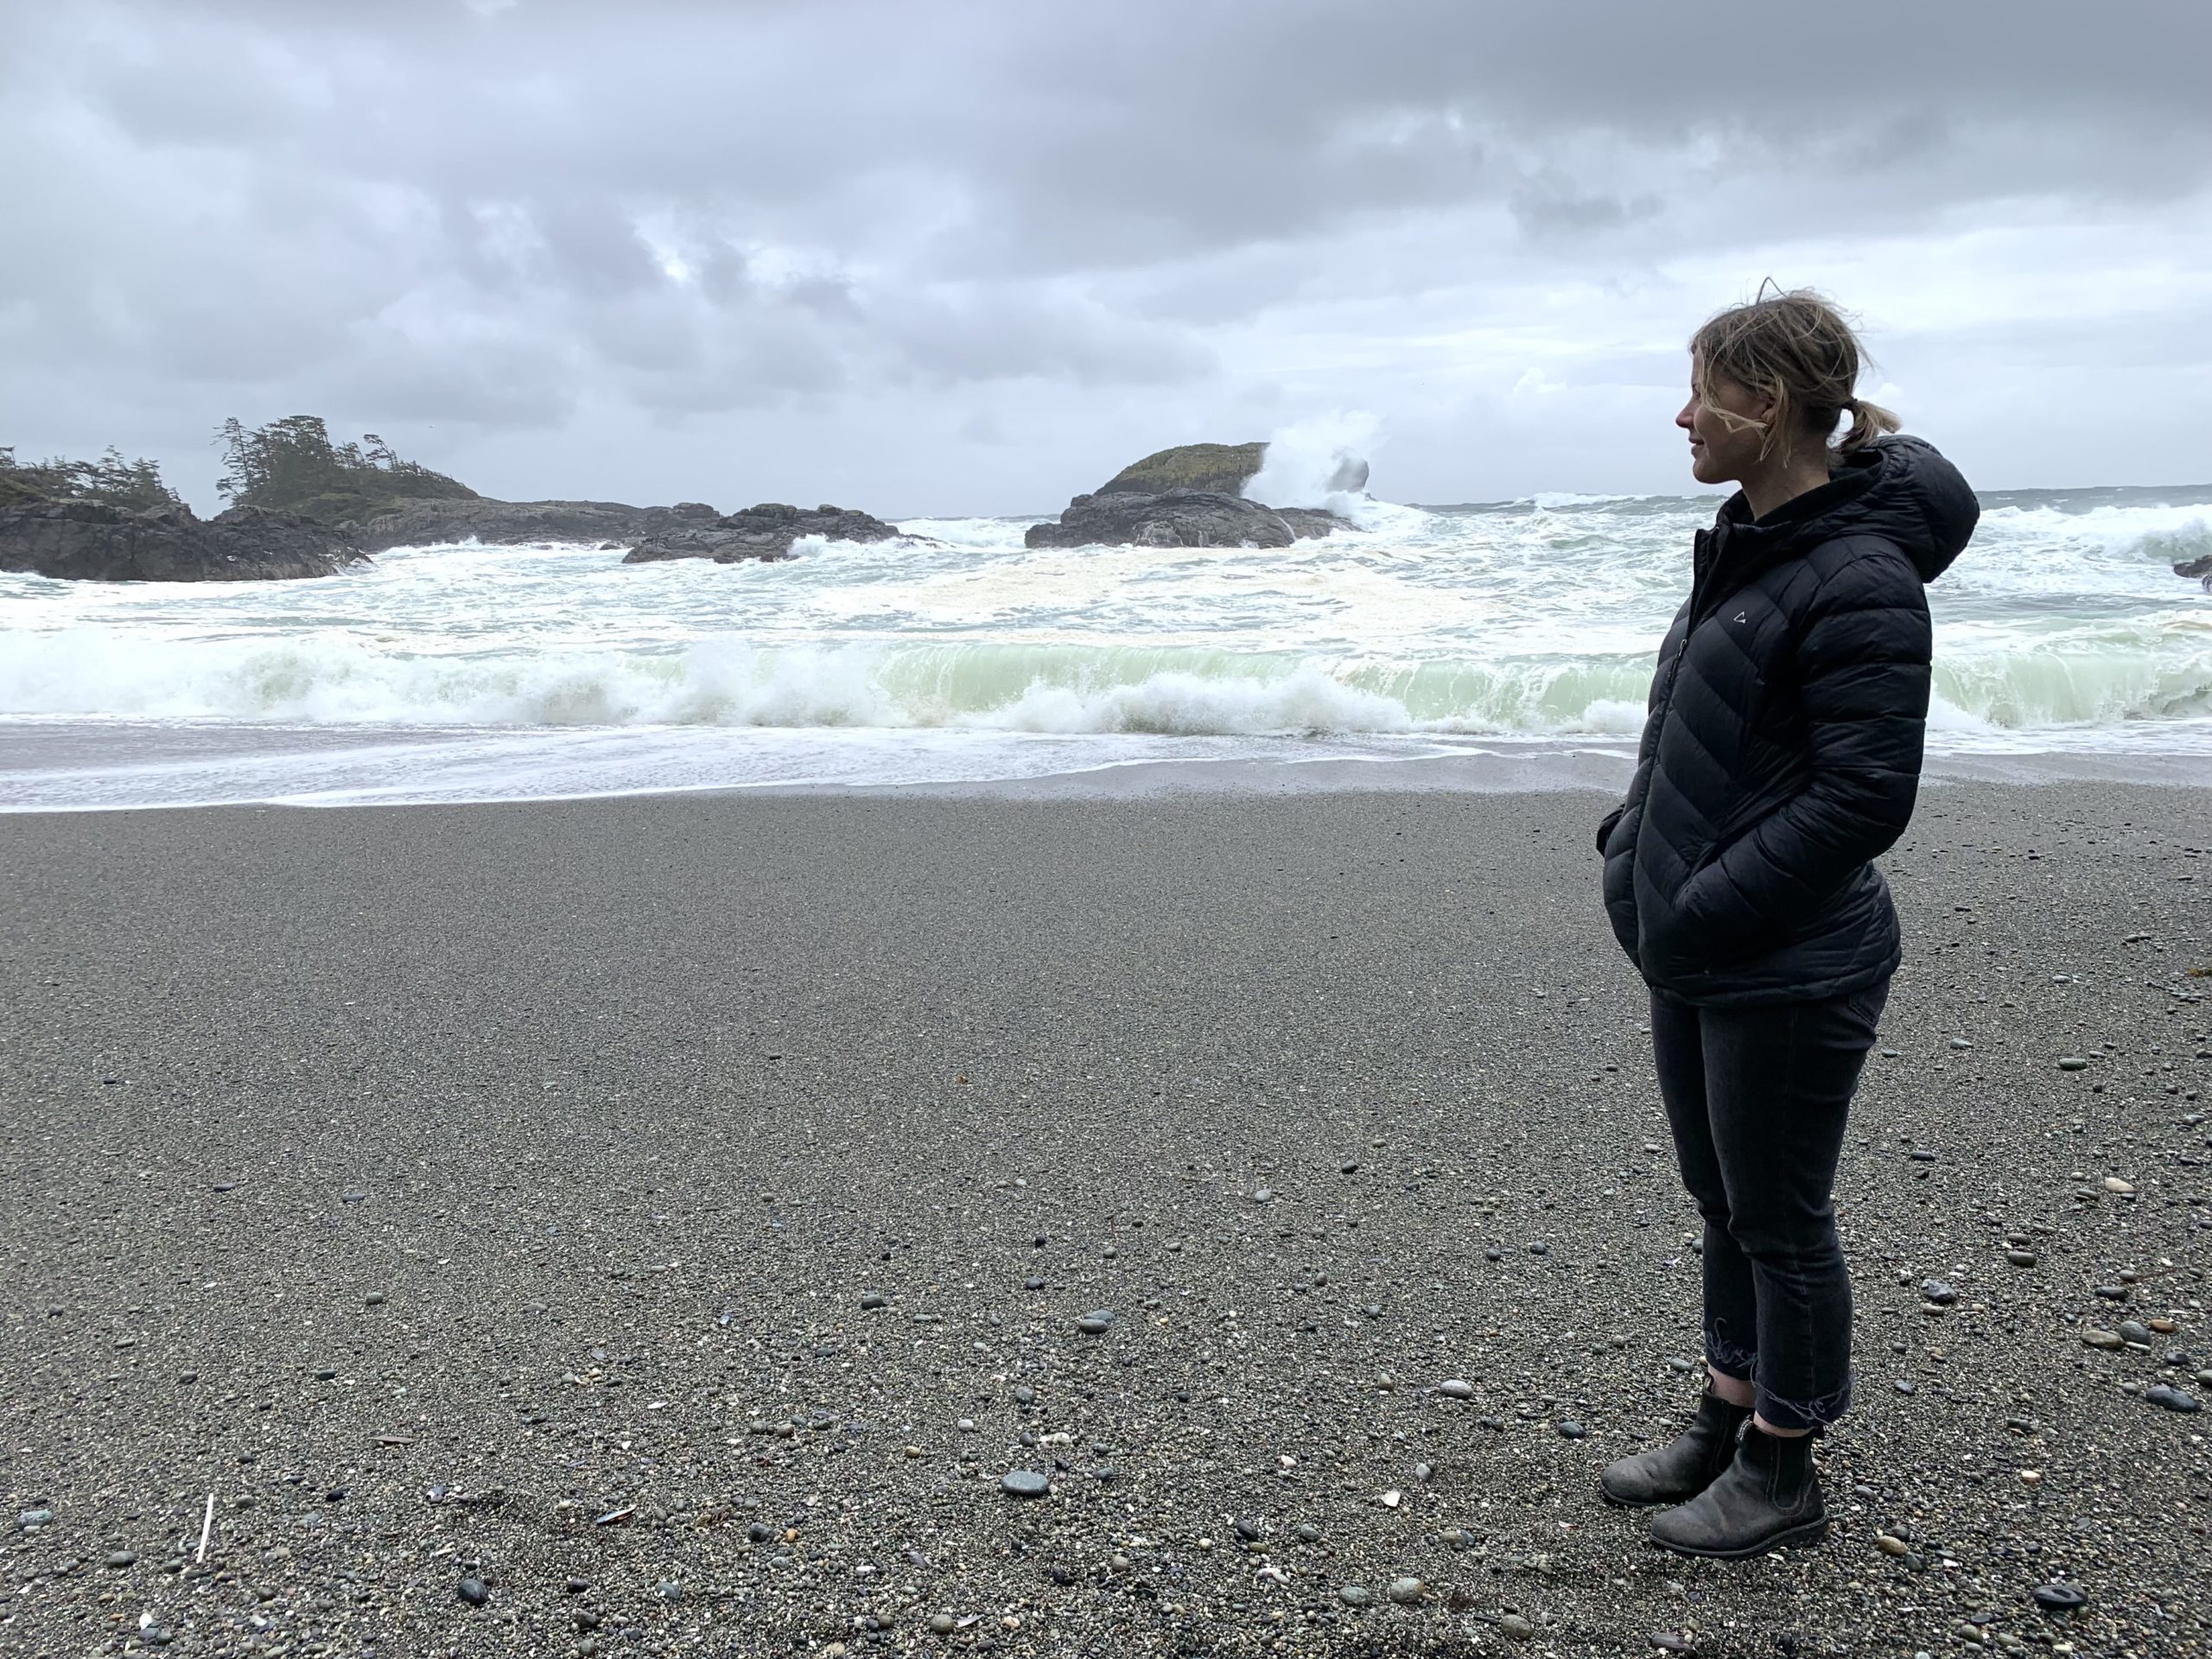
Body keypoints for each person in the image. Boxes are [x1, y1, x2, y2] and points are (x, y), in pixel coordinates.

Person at [1592, 289, 1978, 1559]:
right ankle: (1726, 1413)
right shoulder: (1744, 543)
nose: (1683, 414)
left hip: (1790, 960)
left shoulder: (1860, 576)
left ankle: (1783, 1470)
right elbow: (1696, 740)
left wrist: (1701, 902)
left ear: (1765, 406)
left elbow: (1865, 795)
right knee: (1722, 1201)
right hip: (1700, 948)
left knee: (1782, 1217)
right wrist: (1630, 849)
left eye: (1703, 389)